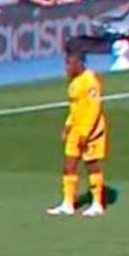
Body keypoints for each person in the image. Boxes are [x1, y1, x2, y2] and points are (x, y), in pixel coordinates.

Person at [50, 49, 108, 216]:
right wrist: (68, 126)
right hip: (76, 129)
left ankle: (97, 204)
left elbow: (93, 109)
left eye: (70, 64)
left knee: (91, 165)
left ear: (79, 64)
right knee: (69, 166)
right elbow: (75, 108)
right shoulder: (74, 82)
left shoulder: (90, 81)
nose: (67, 67)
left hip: (91, 131)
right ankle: (68, 204)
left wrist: (85, 133)